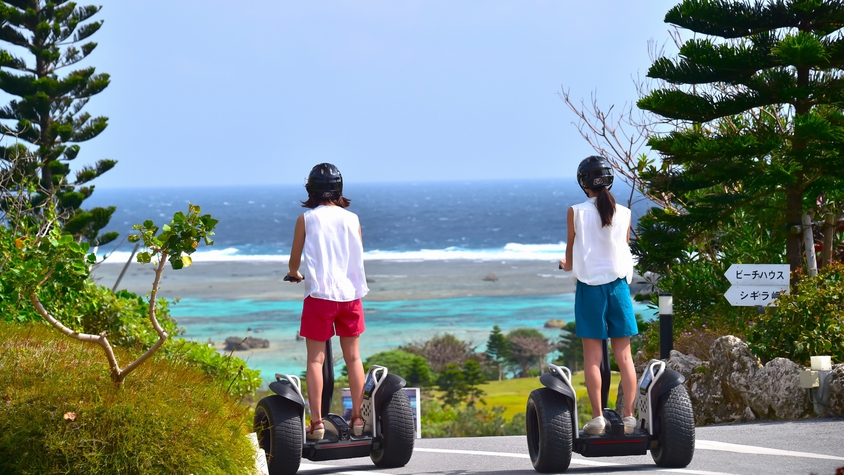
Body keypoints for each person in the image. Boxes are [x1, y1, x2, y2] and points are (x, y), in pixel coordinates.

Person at [287, 163, 369, 441]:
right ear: (339, 188)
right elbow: (355, 253)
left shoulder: (307, 219)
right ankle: (358, 418)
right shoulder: (353, 218)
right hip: (350, 297)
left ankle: (318, 422)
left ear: (311, 189)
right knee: (354, 358)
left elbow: (294, 260)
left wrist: (295, 274)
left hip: (320, 297)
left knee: (315, 360)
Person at [558, 155, 638, 436]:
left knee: (593, 358)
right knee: (625, 357)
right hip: (618, 288)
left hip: (590, 289)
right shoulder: (625, 213)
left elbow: (571, 252)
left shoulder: (575, 211)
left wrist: (565, 264)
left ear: (583, 183)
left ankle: (597, 418)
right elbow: (622, 248)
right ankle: (629, 417)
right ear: (609, 180)